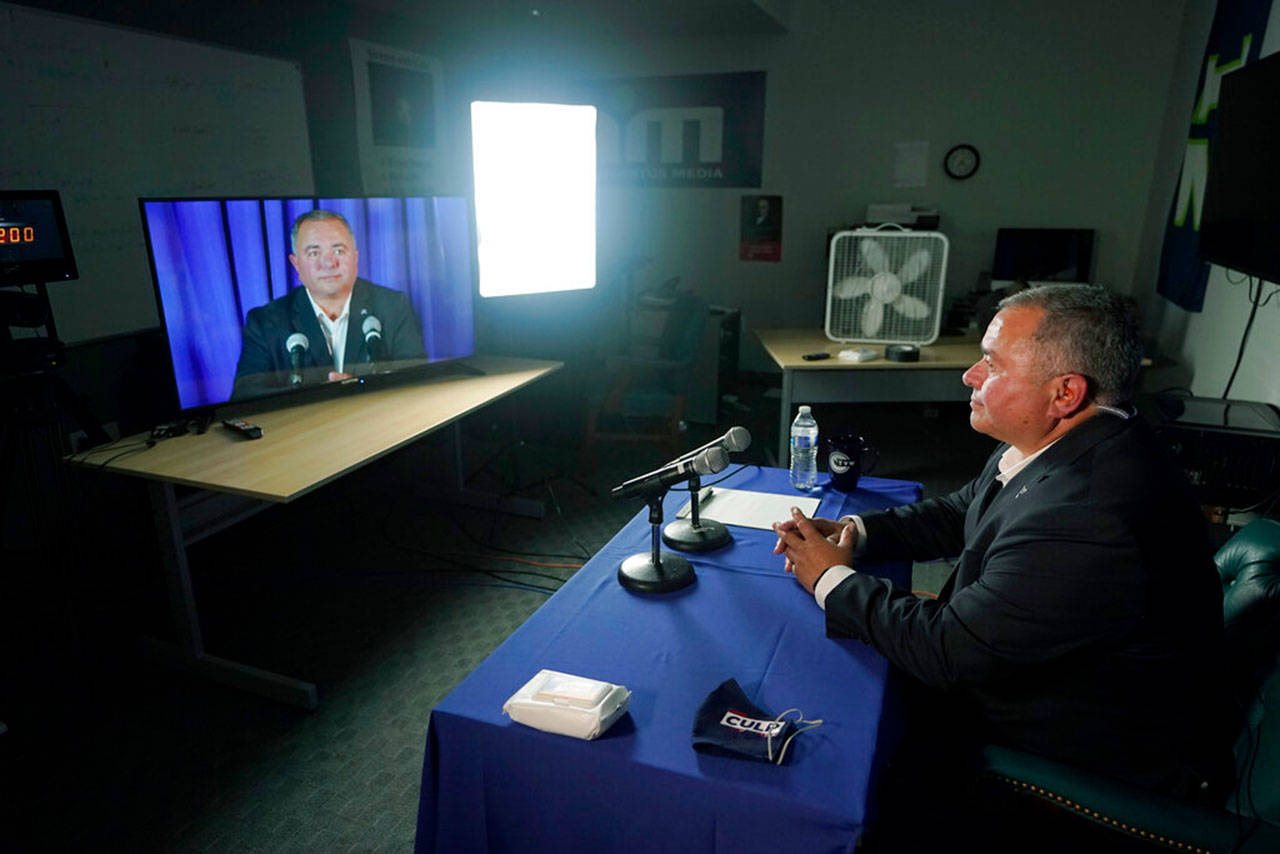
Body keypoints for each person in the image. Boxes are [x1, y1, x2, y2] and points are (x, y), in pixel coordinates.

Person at [772, 284, 1229, 843]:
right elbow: (963, 510)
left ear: (1065, 393)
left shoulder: (1089, 514)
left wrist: (828, 576)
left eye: (991, 364)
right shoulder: (1074, 435)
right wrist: (855, 533)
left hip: (1066, 752)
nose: (969, 376)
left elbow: (947, 652)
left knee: (819, 720)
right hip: (1028, 669)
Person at [231, 210, 425, 400]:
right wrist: (316, 395)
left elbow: (420, 381)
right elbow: (244, 395)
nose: (329, 263)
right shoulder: (266, 321)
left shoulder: (392, 306)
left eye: (339, 251)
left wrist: (362, 391)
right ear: (296, 264)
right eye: (314, 253)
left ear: (355, 257)